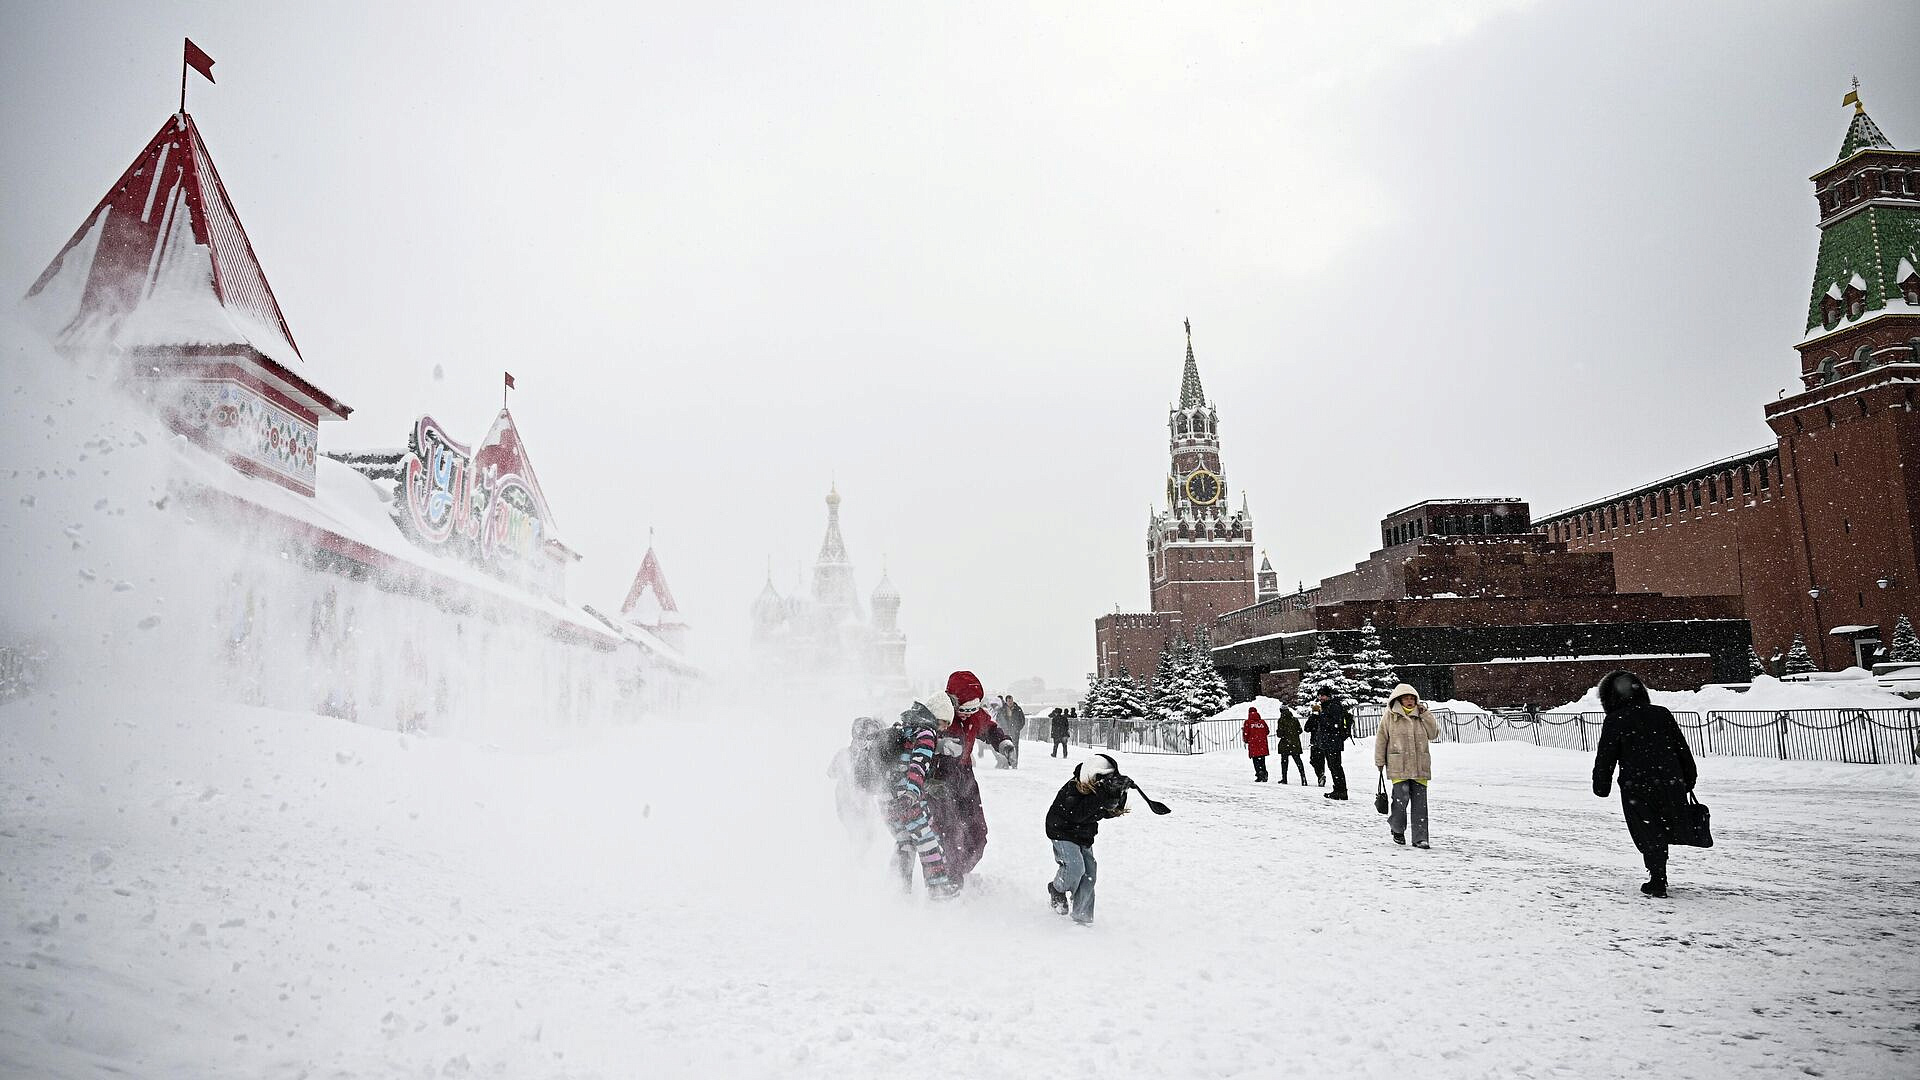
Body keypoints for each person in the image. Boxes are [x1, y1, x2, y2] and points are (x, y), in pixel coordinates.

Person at [1592, 670, 1698, 898]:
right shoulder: (1661, 714)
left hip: (1636, 784)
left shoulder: (1615, 720)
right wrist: (1689, 777)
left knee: (1647, 830)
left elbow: (1606, 756)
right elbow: (1681, 748)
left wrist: (1601, 784)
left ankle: (1657, 877)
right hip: (1670, 780)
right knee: (1662, 825)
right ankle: (1659, 873)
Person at [928, 670, 1016, 881]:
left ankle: (959, 869)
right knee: (948, 830)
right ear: (953, 701)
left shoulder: (975, 716)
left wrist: (1003, 743)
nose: (969, 713)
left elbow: (990, 729)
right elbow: (916, 740)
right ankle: (949, 875)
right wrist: (938, 746)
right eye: (965, 709)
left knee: (977, 833)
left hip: (965, 777)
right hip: (939, 779)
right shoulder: (937, 714)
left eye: (973, 709)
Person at [885, 698, 962, 898]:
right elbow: (918, 765)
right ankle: (938, 888)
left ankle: (897, 889)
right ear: (936, 716)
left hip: (886, 797)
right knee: (927, 839)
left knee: (905, 842)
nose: (944, 728)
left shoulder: (907, 726)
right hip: (906, 798)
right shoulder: (927, 733)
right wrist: (911, 793)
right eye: (944, 722)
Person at [1044, 753, 1131, 926]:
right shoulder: (1073, 788)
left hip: (1084, 835)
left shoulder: (1101, 793)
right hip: (1062, 831)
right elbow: (1077, 815)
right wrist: (1103, 796)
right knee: (1075, 867)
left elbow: (1107, 812)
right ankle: (1056, 888)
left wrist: (1119, 795)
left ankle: (1082, 916)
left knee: (1090, 873)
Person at [1373, 684, 1441, 848]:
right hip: (1399, 766)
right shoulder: (1390, 716)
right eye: (1406, 698)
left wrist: (1427, 715)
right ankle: (1397, 829)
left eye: (1412, 698)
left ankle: (1420, 838)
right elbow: (1382, 739)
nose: (1410, 701)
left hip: (1420, 766)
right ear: (1399, 699)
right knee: (1400, 802)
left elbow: (1434, 734)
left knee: (1420, 805)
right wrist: (1379, 761)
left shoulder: (1422, 715)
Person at [1306, 687, 1353, 799]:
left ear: (1328, 696)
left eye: (1323, 695)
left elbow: (1333, 723)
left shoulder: (1334, 706)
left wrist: (1320, 717)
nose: (1320, 698)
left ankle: (1341, 791)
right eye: (1319, 695)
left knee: (1336, 766)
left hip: (1334, 741)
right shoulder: (1325, 707)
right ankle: (1338, 789)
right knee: (1332, 766)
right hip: (1328, 741)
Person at [1272, 702, 1307, 785]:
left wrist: (1282, 733)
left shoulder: (1281, 720)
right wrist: (1293, 734)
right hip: (1295, 743)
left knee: (1284, 762)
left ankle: (1284, 778)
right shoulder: (1295, 719)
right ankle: (1303, 778)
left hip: (1285, 744)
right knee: (1298, 761)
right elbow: (1300, 730)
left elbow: (1280, 734)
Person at [1241, 706, 1270, 782]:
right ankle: (1264, 772)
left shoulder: (1248, 722)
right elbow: (1267, 731)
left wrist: (1246, 740)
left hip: (1253, 744)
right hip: (1262, 744)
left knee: (1255, 760)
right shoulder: (1262, 722)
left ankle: (1259, 773)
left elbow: (1246, 734)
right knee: (1262, 760)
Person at [998, 694, 1028, 768]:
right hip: (1005, 732)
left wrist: (1018, 728)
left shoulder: (1018, 709)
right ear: (1006, 701)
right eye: (1009, 701)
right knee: (1005, 747)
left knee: (1015, 747)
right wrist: (1002, 729)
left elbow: (1022, 720)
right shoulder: (1002, 709)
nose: (1010, 702)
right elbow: (998, 720)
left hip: (1015, 732)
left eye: (1011, 700)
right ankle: (1006, 763)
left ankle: (1014, 763)